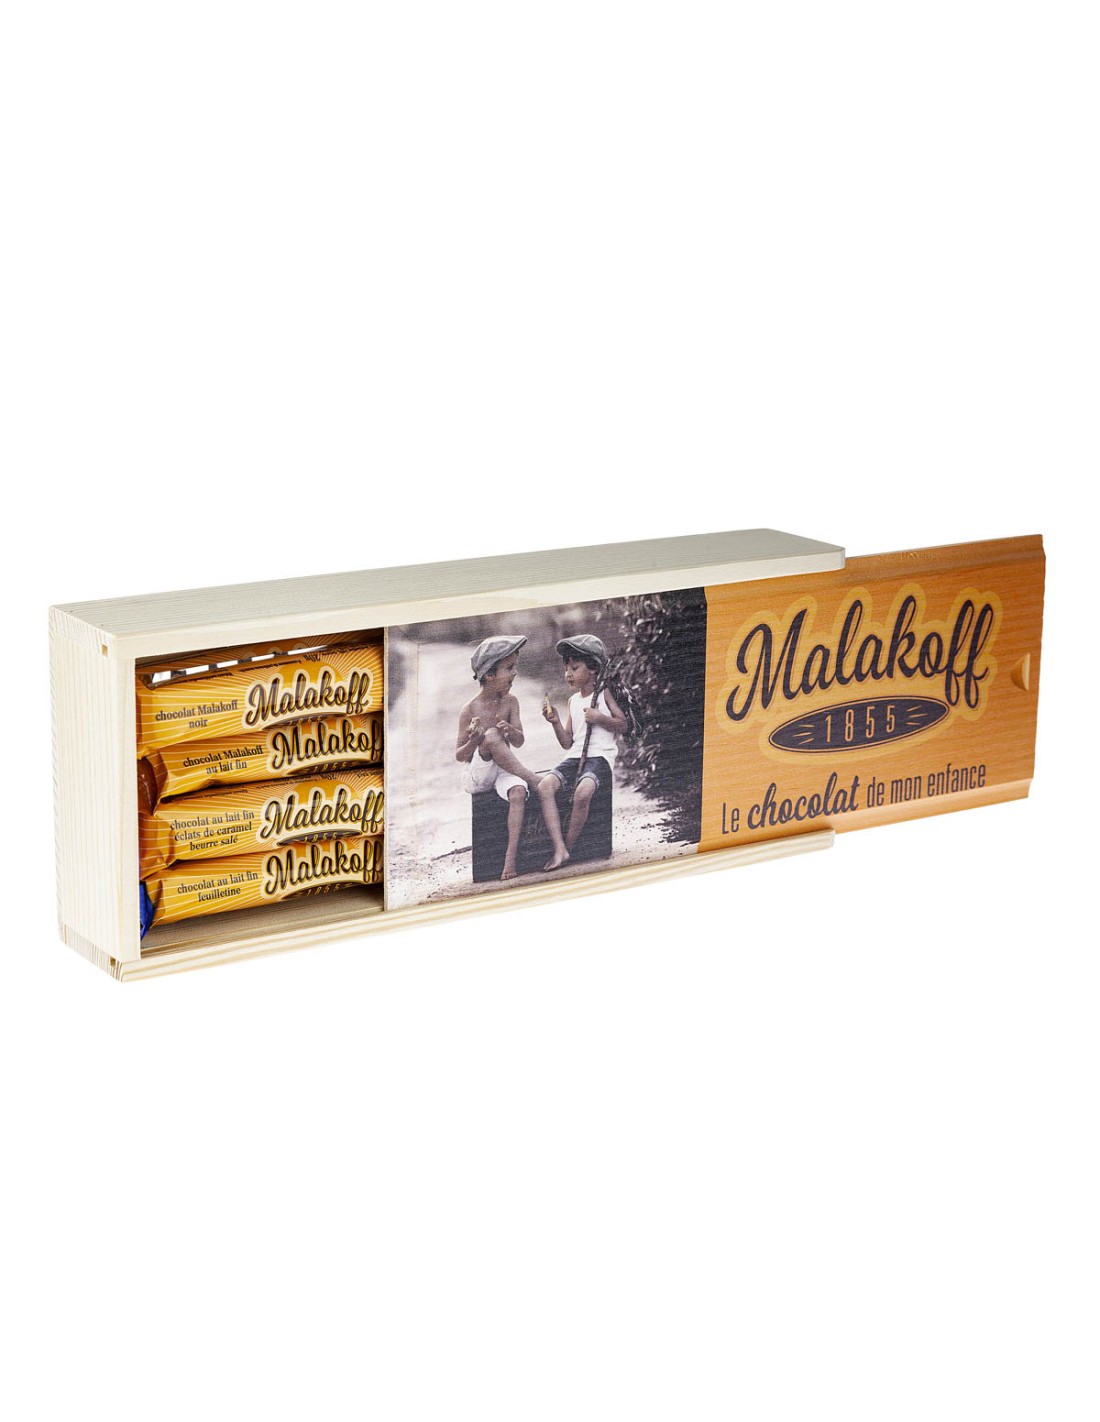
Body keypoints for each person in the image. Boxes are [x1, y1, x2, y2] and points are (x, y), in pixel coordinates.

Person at [456, 635, 543, 881]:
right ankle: (533, 778)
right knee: (492, 736)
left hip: (504, 769)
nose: (515, 673)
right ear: (489, 674)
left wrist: (511, 731)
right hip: (478, 774)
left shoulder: (511, 702)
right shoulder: (469, 709)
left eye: (514, 667)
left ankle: (510, 859)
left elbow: (519, 741)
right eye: (509, 668)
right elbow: (460, 755)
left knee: (518, 792)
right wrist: (475, 741)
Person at [539, 634, 627, 870]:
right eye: (566, 669)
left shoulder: (604, 694)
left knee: (583, 792)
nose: (568, 674)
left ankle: (569, 845)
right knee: (544, 787)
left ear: (593, 669)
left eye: (575, 668)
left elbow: (623, 725)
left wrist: (600, 718)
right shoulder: (573, 701)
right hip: (575, 757)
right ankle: (560, 848)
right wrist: (556, 722)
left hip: (599, 758)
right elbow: (568, 743)